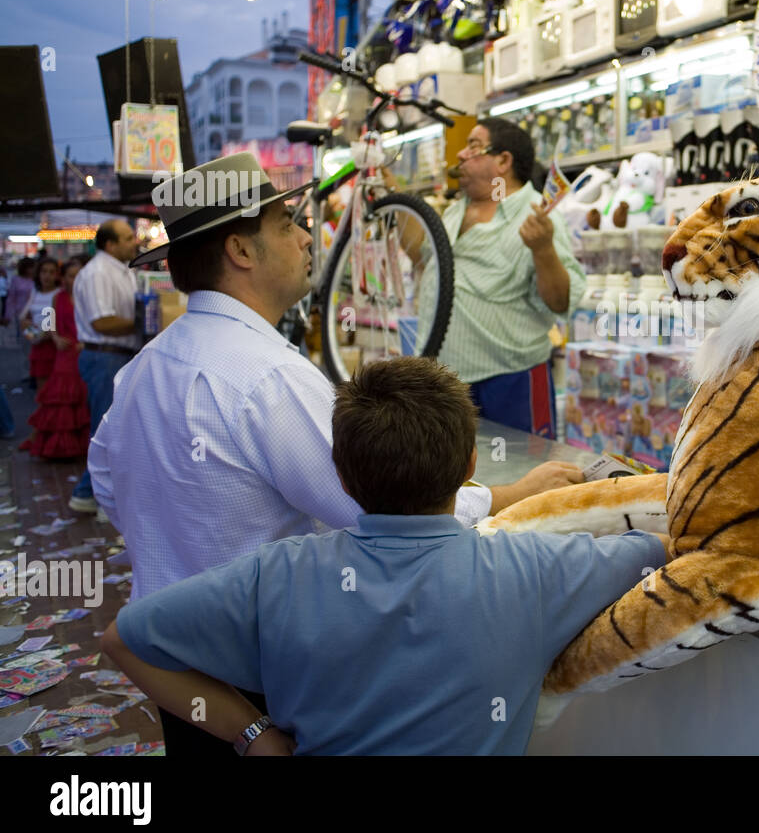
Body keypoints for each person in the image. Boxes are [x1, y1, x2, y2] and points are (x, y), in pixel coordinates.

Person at [87, 155, 582, 752]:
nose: (303, 238)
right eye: (285, 225)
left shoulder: (141, 371)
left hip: (175, 679)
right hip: (264, 691)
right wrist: (514, 495)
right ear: (242, 252)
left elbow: (111, 490)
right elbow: (385, 511)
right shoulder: (268, 377)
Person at [102, 356, 666, 755]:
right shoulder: (538, 570)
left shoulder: (276, 575)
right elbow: (665, 550)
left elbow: (124, 641)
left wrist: (254, 737)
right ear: (470, 465)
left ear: (343, 480)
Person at [423, 117, 586, 438]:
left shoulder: (536, 215)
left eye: (473, 146)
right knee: (460, 481)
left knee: (526, 474)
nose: (460, 155)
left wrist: (543, 250)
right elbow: (425, 261)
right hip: (446, 381)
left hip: (511, 382)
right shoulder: (456, 210)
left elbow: (560, 302)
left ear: (503, 160)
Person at [67, 220, 141, 516]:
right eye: (127, 238)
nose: (134, 241)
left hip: (117, 355)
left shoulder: (120, 270)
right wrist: (146, 320)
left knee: (115, 430)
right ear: (110, 244)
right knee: (107, 431)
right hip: (104, 357)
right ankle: (97, 497)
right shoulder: (98, 272)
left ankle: (90, 493)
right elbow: (102, 322)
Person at [22, 255, 90, 459]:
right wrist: (56, 337)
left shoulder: (88, 298)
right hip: (62, 352)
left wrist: (84, 343)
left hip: (80, 351)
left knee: (81, 398)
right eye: (70, 276)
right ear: (65, 278)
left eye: (78, 276)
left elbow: (92, 325)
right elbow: (49, 323)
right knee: (59, 398)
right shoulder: (56, 297)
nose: (74, 280)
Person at [20, 258, 61, 393]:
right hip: (37, 346)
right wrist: (34, 335)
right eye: (44, 271)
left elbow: (59, 324)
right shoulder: (34, 292)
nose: (47, 276)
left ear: (57, 274)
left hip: (55, 347)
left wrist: (37, 333)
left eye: (51, 272)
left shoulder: (60, 294)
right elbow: (23, 320)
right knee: (42, 392)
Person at [4, 257, 35, 340]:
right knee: (26, 337)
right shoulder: (16, 280)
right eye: (29, 267)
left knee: (36, 337)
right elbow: (11, 298)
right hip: (21, 313)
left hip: (36, 312)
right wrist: (8, 315)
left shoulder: (37, 280)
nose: (31, 270)